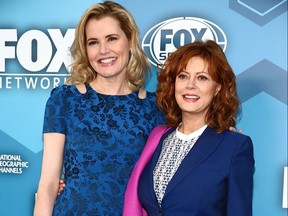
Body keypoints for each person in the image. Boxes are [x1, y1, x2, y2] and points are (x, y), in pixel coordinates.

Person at [33, 1, 166, 215]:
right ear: (85, 50)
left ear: (129, 40)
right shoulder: (64, 99)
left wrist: (218, 138)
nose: (103, 50)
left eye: (112, 38)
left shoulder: (156, 107)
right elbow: (48, 185)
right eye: (93, 42)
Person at [123, 40, 255, 216]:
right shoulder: (158, 138)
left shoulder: (235, 147)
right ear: (174, 83)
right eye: (183, 76)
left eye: (202, 77)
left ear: (217, 88)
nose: (190, 85)